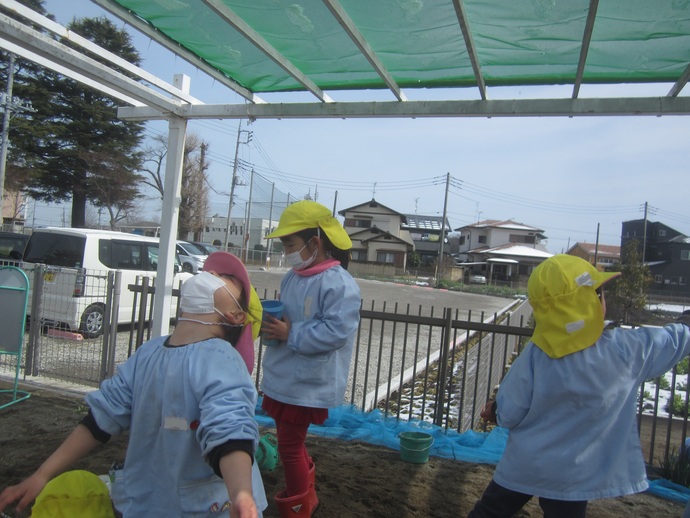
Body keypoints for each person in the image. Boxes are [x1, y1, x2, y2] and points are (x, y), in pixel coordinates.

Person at [0, 252, 267, 518]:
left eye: (227, 278)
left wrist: (241, 495)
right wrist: (42, 475)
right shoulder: (148, 352)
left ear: (235, 315)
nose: (213, 274)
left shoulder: (221, 357)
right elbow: (101, 418)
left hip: (210, 507)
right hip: (147, 502)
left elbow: (229, 430)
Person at [469, 254, 690, 518]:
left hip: (526, 464)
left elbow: (512, 409)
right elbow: (672, 340)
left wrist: (495, 411)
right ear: (592, 302)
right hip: (573, 475)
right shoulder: (626, 349)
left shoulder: (536, 355)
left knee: (491, 511)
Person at [260, 200, 361, 517]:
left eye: (290, 243)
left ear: (315, 243)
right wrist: (272, 329)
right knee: (292, 443)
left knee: (289, 446)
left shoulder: (339, 283)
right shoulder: (293, 276)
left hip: (308, 383)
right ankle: (307, 496)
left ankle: (299, 506)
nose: (286, 250)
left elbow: (336, 331)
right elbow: (287, 321)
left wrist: (291, 334)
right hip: (284, 376)